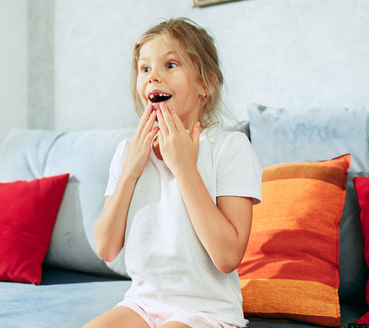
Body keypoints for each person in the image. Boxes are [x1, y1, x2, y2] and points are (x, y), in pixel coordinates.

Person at [84, 18, 262, 328]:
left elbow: (227, 256)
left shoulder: (230, 147)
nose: (153, 77)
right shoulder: (128, 153)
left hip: (207, 312)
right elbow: (107, 247)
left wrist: (183, 167)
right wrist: (130, 171)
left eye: (170, 65)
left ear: (205, 84)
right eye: (145, 69)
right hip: (142, 304)